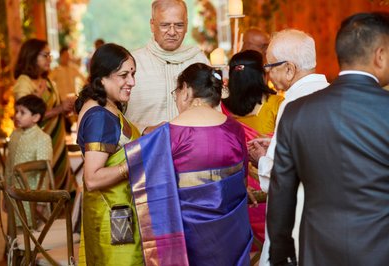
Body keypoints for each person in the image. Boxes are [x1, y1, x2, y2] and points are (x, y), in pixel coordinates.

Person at [267, 12, 389, 266]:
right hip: (380, 250)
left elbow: (282, 191)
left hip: (317, 251)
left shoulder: (296, 111)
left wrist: (280, 252)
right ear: (380, 55)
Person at [125, 63, 253, 265]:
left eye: (175, 92)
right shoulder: (234, 129)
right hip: (231, 234)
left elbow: (150, 197)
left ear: (185, 90)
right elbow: (242, 182)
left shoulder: (165, 136)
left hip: (186, 237)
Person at [247, 29, 329, 266]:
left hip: (298, 210)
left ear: (290, 68)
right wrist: (274, 144)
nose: (268, 74)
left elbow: (278, 174)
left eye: (270, 66)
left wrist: (261, 158)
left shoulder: (292, 103)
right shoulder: (332, 94)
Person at [75, 43, 143, 265]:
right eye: (124, 75)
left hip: (118, 212)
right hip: (115, 221)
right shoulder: (99, 116)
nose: (131, 82)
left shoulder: (108, 107)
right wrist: (136, 160)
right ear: (102, 78)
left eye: (132, 74)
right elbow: (93, 179)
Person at [221, 49, 284, 243]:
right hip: (270, 189)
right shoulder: (277, 104)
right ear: (261, 75)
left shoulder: (220, 109)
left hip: (235, 190)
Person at [125, 0, 209, 134]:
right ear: (152, 25)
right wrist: (144, 130)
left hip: (194, 151)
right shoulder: (132, 64)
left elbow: (214, 111)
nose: (172, 32)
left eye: (179, 25)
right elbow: (114, 117)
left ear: (187, 25)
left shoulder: (199, 61)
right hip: (145, 151)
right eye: (164, 25)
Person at [13, 38, 75, 189]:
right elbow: (26, 117)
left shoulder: (47, 80)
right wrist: (59, 108)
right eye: (44, 55)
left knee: (64, 189)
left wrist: (66, 109)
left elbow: (53, 109)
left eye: (50, 55)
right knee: (44, 191)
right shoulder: (24, 82)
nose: (49, 59)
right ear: (32, 56)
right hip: (37, 146)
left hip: (56, 141)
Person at [5, 94, 52, 226]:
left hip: (32, 198)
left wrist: (41, 201)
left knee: (33, 231)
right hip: (13, 195)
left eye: (22, 112)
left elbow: (44, 173)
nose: (17, 116)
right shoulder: (14, 135)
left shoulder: (42, 139)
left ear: (36, 117)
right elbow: (8, 167)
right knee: (15, 229)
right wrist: (5, 194)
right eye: (17, 111)